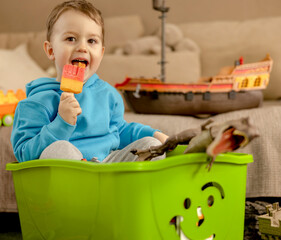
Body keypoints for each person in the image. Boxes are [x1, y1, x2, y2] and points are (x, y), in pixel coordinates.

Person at [11, 0, 168, 163]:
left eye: (91, 41)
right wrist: (61, 123)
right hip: (72, 171)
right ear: (51, 50)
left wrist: (155, 134)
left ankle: (120, 185)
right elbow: (24, 153)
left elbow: (120, 131)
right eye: (71, 38)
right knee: (60, 150)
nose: (82, 48)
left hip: (107, 165)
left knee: (152, 147)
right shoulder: (36, 102)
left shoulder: (108, 94)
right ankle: (86, 181)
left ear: (101, 53)